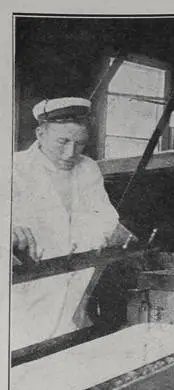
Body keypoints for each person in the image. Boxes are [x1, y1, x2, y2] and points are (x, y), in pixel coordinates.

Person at [11, 97, 129, 349]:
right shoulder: (13, 168)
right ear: (40, 133)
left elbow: (106, 219)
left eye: (80, 144)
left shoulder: (88, 169)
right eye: (62, 142)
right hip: (24, 298)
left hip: (75, 290)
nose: (70, 153)